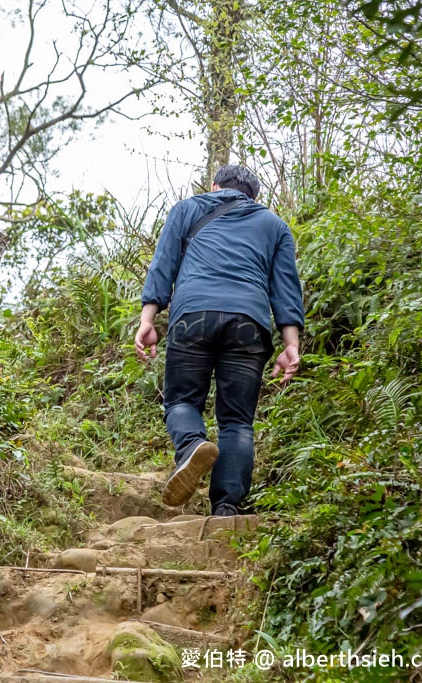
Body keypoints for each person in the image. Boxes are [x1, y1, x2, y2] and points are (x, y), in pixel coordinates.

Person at [134, 165, 304, 516]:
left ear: (213, 187)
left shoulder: (186, 209)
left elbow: (163, 266)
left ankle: (193, 445)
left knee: (181, 400)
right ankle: (226, 507)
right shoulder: (274, 226)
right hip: (249, 323)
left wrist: (148, 320)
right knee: (237, 420)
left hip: (193, 315)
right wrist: (292, 345)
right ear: (255, 197)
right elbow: (286, 290)